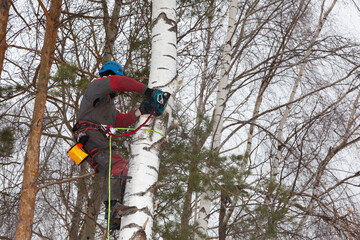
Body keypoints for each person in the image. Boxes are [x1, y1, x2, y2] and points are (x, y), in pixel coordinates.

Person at [72, 61, 165, 230]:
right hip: (91, 135)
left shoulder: (106, 104)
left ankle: (115, 215)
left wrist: (140, 111)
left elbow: (120, 120)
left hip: (93, 140)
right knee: (117, 163)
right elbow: (119, 82)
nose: (118, 91)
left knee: (115, 167)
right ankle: (113, 208)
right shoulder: (97, 86)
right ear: (111, 75)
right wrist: (148, 91)